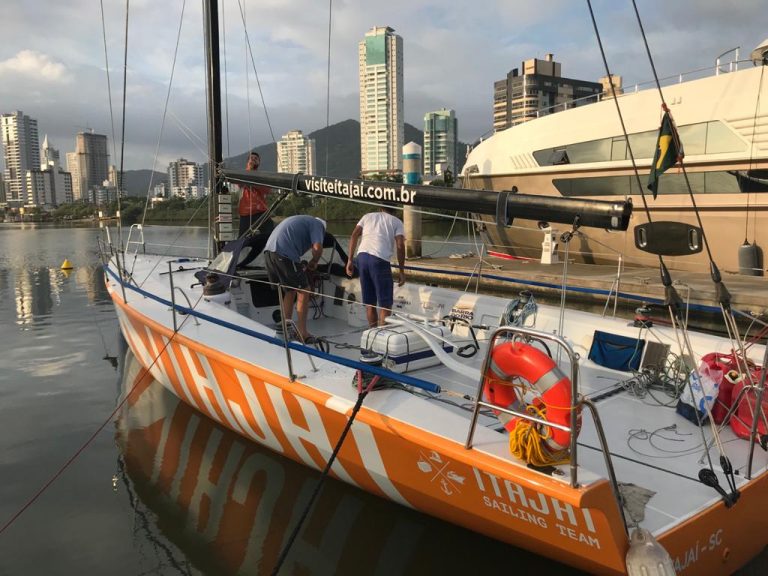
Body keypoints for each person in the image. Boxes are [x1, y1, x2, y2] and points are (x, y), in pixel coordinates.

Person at [263, 215, 326, 342]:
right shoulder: (317, 225)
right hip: (284, 253)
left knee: (290, 291)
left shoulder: (303, 220)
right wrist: (314, 261)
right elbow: (317, 248)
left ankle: (285, 329)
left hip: (269, 253)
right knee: (304, 290)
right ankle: (302, 333)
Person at [345, 206, 405, 328]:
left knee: (370, 303)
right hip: (379, 259)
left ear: (380, 207)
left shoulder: (367, 216)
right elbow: (400, 245)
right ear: (396, 209)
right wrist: (401, 271)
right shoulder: (397, 221)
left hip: (361, 257)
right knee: (385, 304)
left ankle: (372, 333)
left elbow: (354, 235)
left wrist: (350, 260)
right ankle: (382, 336)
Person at [238, 151, 273, 238]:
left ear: (259, 162)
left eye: (256, 159)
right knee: (241, 240)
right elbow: (239, 183)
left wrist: (252, 183)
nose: (253, 160)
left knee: (271, 235)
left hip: (260, 212)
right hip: (245, 213)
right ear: (247, 161)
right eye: (251, 158)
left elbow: (267, 190)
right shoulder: (240, 175)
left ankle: (269, 250)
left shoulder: (262, 177)